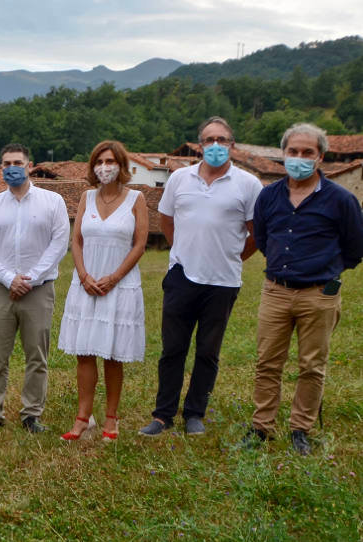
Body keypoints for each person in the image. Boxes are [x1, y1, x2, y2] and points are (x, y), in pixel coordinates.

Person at [242, 123, 363, 455]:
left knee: (312, 365)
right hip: (276, 291)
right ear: (284, 154)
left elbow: (354, 249)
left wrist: (327, 273)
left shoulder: (341, 200)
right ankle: (261, 427)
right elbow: (263, 240)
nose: (299, 158)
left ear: (320, 157)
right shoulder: (268, 196)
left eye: (307, 152)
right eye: (293, 151)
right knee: (267, 362)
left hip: (319, 294)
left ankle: (301, 430)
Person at [139, 116, 262, 437]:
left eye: (222, 140)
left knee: (208, 352)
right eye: (209, 140)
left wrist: (234, 257)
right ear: (200, 145)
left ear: (232, 146)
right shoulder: (180, 178)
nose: (216, 146)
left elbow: (256, 234)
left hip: (223, 281)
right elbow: (166, 220)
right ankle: (162, 415)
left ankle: (195, 414)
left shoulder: (248, 185)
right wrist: (181, 250)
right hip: (182, 277)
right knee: (172, 350)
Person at [0, 143, 70, 433]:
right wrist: (7, 278)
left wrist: (31, 278)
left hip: (38, 289)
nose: (11, 168)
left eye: (17, 162)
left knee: (36, 355)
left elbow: (59, 242)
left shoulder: (53, 202)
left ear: (30, 165)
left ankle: (31, 415)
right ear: (0, 168)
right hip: (1, 289)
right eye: (6, 164)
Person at [57, 141, 148, 441]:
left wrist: (113, 277)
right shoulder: (86, 197)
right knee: (84, 352)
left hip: (119, 285)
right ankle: (83, 418)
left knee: (112, 353)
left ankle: (111, 418)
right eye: (99, 161)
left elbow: (139, 244)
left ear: (122, 166)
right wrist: (83, 275)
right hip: (85, 283)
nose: (105, 167)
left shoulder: (136, 199)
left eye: (110, 161)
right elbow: (77, 241)